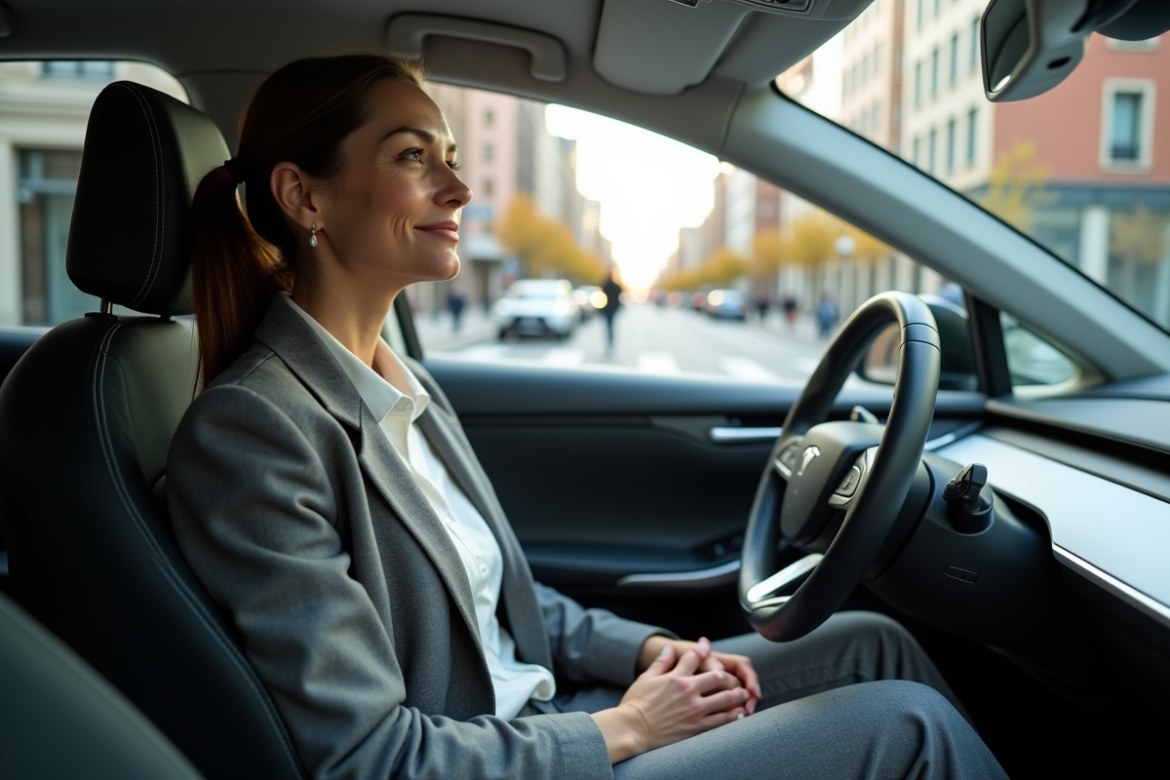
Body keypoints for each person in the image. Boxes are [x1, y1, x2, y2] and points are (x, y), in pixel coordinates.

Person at [169, 54, 1007, 780]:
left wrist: (646, 655)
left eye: (452, 158)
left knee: (871, 646)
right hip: (502, 755)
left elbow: (507, 603)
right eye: (413, 156)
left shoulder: (402, 380)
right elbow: (374, 760)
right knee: (908, 728)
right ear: (302, 196)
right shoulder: (254, 431)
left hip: (551, 713)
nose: (459, 188)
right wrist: (632, 726)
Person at [601, 268, 624, 349]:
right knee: (611, 324)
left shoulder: (605, 285)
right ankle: (611, 340)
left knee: (608, 325)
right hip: (613, 308)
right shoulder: (616, 286)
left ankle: (610, 340)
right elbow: (620, 295)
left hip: (607, 309)